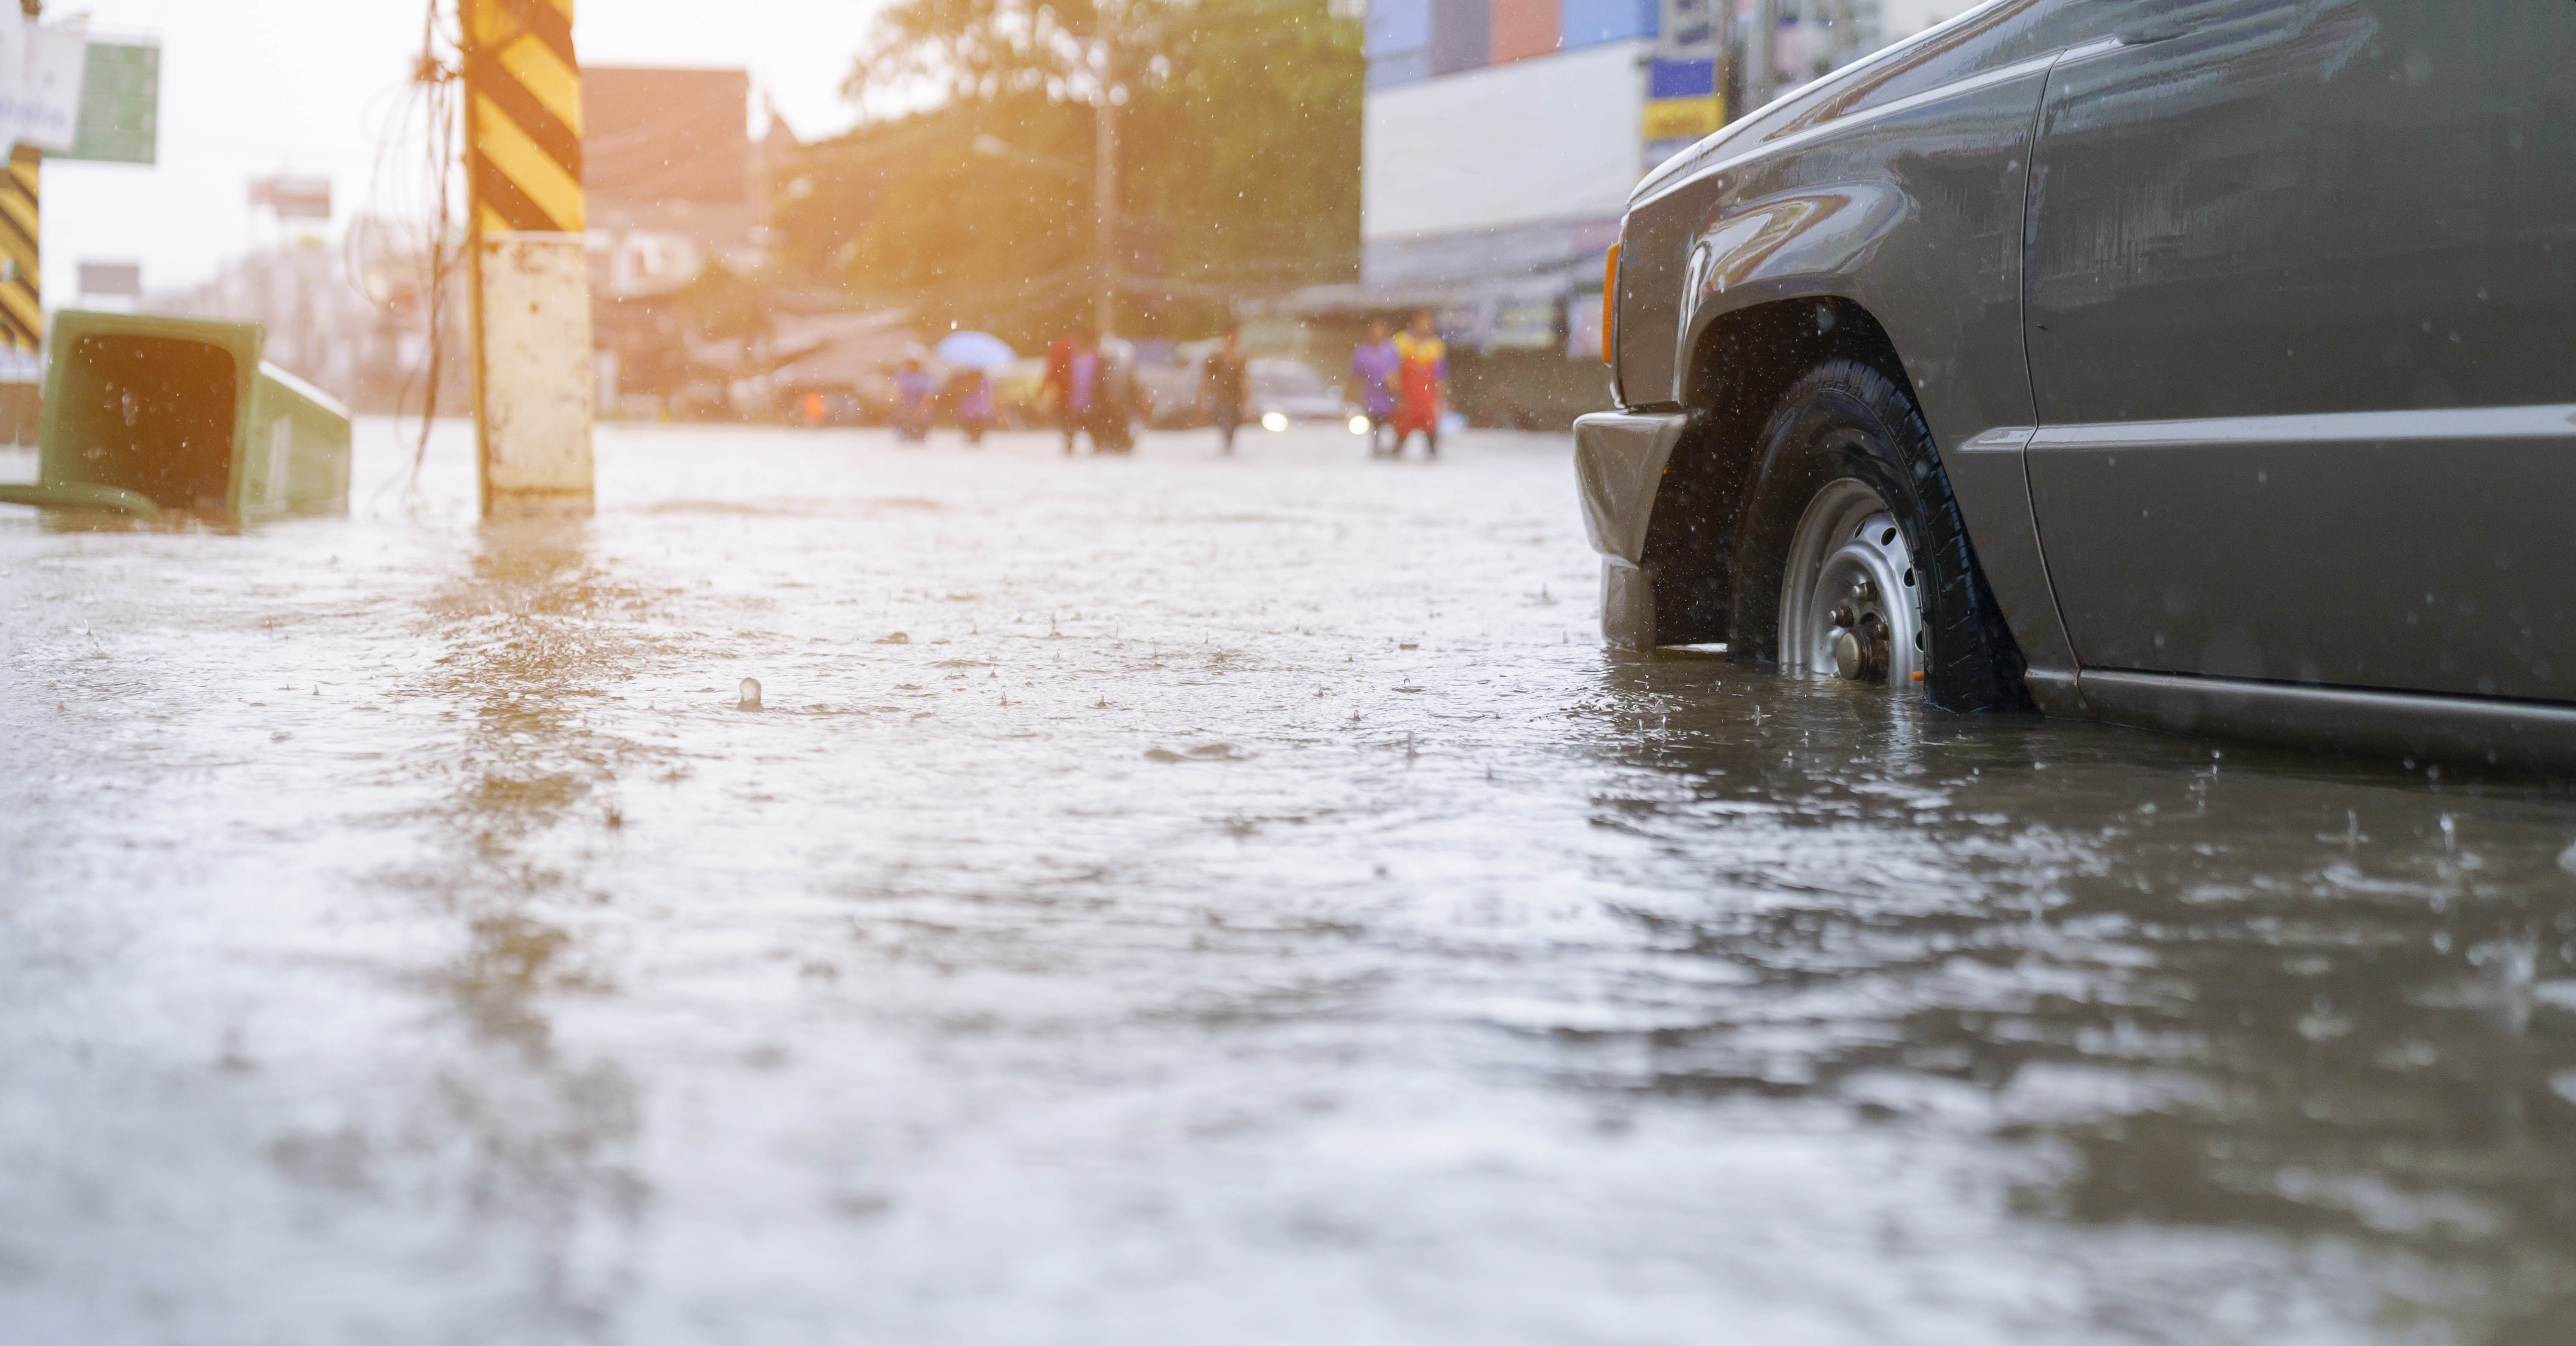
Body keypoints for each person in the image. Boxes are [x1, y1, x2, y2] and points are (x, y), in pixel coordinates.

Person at [1390, 309, 1448, 458]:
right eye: (1423, 323)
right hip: (1407, 393)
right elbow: (1393, 369)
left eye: (1429, 323)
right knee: (1403, 425)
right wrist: (1396, 391)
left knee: (1430, 424)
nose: (1426, 326)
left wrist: (1442, 395)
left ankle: (1433, 453)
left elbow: (1440, 374)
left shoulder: (1436, 345)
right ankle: (1398, 451)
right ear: (1415, 323)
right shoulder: (1401, 341)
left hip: (1427, 394)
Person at [1042, 326, 1104, 454]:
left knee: (1096, 437)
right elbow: (1053, 374)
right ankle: (1071, 453)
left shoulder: (1096, 356)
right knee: (1069, 437)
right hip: (1070, 404)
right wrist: (1043, 394)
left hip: (1090, 404)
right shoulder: (1065, 352)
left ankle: (1095, 451)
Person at [1350, 318, 1400, 455]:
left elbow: (1398, 373)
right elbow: (1354, 377)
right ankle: (1377, 452)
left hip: (1391, 400)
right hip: (1372, 399)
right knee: (1375, 431)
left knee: (1394, 430)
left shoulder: (1391, 350)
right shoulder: (1362, 353)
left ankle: (1393, 452)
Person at [1200, 324, 1250, 454]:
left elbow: (1245, 380)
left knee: (1233, 427)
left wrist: (1247, 401)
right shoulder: (1216, 358)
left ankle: (1229, 450)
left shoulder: (1240, 358)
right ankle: (1226, 450)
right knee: (1225, 425)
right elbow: (1207, 379)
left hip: (1236, 400)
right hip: (1221, 399)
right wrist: (1205, 398)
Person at [892, 357, 935, 442]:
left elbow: (929, 393)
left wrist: (923, 406)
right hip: (905, 403)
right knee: (904, 418)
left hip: (920, 403)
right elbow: (897, 391)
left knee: (921, 421)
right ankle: (905, 436)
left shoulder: (925, 377)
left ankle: (919, 437)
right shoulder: (902, 376)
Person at [947, 368, 994, 445]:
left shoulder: (985, 380)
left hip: (975, 413)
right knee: (972, 438)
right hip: (975, 412)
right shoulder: (964, 379)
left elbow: (990, 395)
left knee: (974, 438)